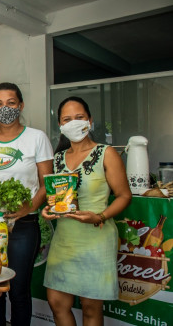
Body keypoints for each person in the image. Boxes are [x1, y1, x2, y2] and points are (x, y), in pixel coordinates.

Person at [41, 96, 131, 326]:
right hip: (64, 240)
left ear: (90, 120)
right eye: (67, 119)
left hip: (96, 239)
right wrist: (49, 210)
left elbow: (124, 196)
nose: (74, 123)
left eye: (79, 117)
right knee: (57, 302)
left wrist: (100, 216)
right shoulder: (59, 158)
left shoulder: (106, 153)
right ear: (60, 126)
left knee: (91, 308)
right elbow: (58, 198)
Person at [0, 82, 54, 326]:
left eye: (11, 103)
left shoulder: (36, 138)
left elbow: (46, 183)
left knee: (18, 289)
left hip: (23, 225)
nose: (4, 108)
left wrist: (28, 208)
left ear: (21, 105)